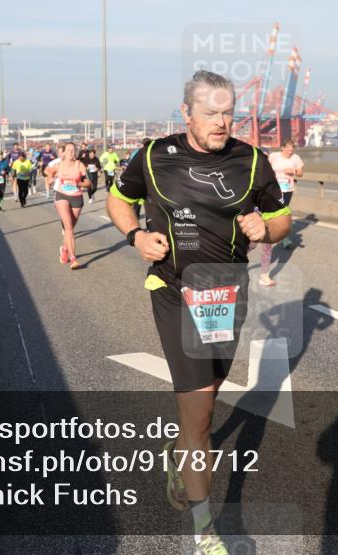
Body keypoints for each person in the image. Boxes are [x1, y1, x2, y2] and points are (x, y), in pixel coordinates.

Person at [107, 71, 290, 555]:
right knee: (202, 412)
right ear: (186, 112)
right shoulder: (153, 156)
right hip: (173, 290)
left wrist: (266, 229)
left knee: (206, 399)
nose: (221, 121)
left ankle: (178, 451)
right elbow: (118, 199)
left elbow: (281, 217)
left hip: (226, 292)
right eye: (210, 112)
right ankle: (204, 530)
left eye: (228, 112)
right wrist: (135, 237)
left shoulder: (250, 160)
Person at [256, 138, 305, 286]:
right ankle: (232, 263)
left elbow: (301, 172)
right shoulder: (269, 162)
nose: (290, 152)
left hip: (280, 197)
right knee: (250, 245)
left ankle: (264, 275)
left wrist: (294, 172)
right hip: (260, 206)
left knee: (267, 245)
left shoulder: (295, 159)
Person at [45, 143, 88, 269]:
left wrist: (79, 183)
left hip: (77, 197)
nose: (70, 152)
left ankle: (64, 248)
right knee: (68, 228)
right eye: (68, 150)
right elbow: (48, 171)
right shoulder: (58, 165)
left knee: (70, 228)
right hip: (61, 195)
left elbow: (88, 182)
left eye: (73, 150)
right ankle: (73, 258)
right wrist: (49, 178)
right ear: (63, 153)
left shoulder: (80, 165)